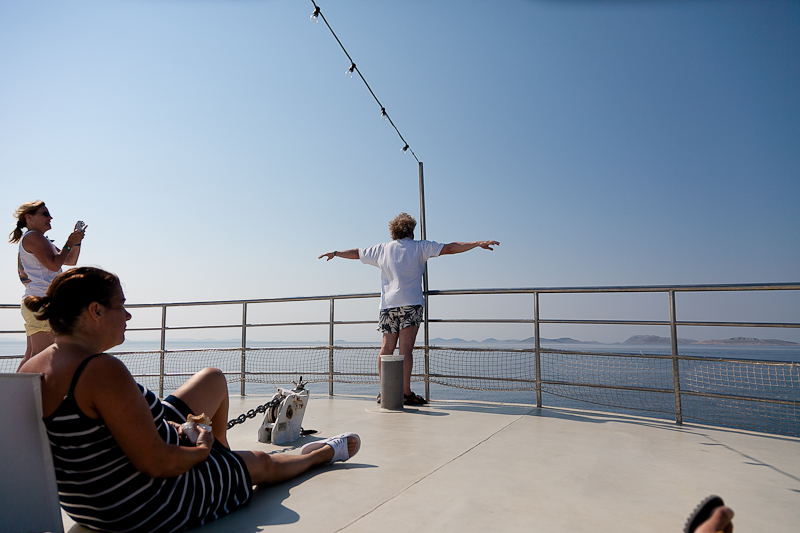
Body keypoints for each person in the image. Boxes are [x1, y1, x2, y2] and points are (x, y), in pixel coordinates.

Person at [19, 266, 360, 533]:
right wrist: (201, 449)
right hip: (145, 505)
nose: (128, 316)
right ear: (95, 311)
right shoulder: (100, 370)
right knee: (262, 462)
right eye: (121, 306)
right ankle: (316, 456)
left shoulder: (31, 368)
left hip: (89, 504)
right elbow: (158, 464)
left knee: (212, 378)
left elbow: (95, 434)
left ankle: (226, 460)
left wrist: (179, 431)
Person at [319, 212, 499, 405]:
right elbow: (449, 248)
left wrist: (336, 253)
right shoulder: (420, 247)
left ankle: (384, 392)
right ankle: (405, 393)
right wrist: (476, 243)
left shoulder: (382, 249)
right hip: (411, 304)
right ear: (411, 231)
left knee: (386, 348)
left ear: (392, 232)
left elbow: (357, 253)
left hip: (388, 306)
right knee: (405, 350)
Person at [10, 200, 86, 370]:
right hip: (42, 301)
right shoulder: (34, 237)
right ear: (29, 218)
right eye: (45, 214)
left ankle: (14, 394)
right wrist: (69, 241)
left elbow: (70, 260)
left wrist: (76, 241)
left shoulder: (39, 239)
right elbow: (54, 264)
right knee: (40, 356)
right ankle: (26, 395)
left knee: (31, 356)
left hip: (36, 300)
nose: (50, 217)